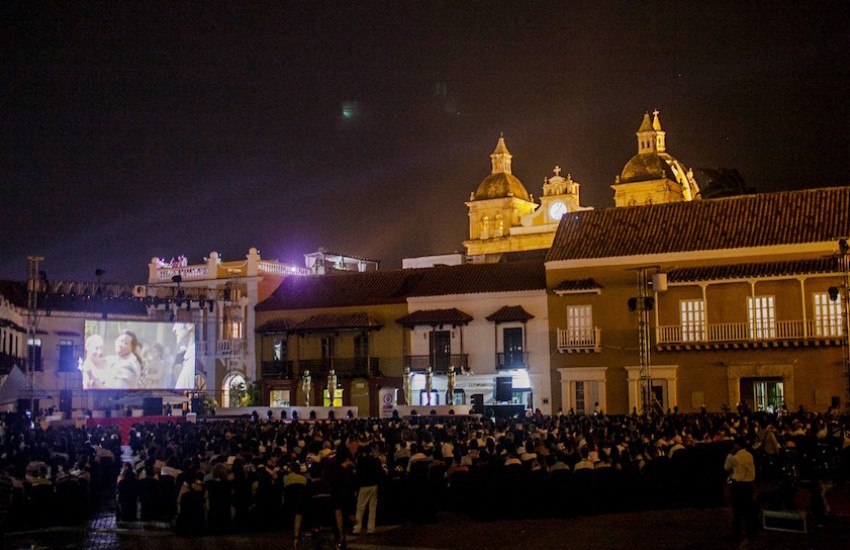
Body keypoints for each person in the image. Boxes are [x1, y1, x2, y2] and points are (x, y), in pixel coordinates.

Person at [294, 458, 346, 550]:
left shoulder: (306, 491)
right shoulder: (330, 489)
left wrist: (296, 536)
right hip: (328, 529)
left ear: (310, 474)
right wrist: (340, 532)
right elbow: (338, 513)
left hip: (309, 530)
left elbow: (299, 515)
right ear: (322, 472)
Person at [724, 437, 757, 542]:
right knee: (749, 511)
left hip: (738, 486)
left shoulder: (736, 458)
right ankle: (751, 533)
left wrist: (730, 454)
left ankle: (736, 534)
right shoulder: (749, 455)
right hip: (748, 485)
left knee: (737, 512)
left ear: (737, 445)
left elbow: (726, 467)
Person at [352, 443, 383, 535]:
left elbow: (358, 475)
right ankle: (370, 529)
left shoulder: (361, 461)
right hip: (374, 485)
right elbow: (380, 473)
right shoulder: (375, 460)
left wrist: (355, 488)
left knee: (360, 508)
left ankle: (357, 528)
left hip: (363, 486)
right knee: (372, 508)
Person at [172, 322, 196, 389]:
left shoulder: (193, 360)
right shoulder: (184, 355)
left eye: (177, 322)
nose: (174, 329)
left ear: (190, 325)